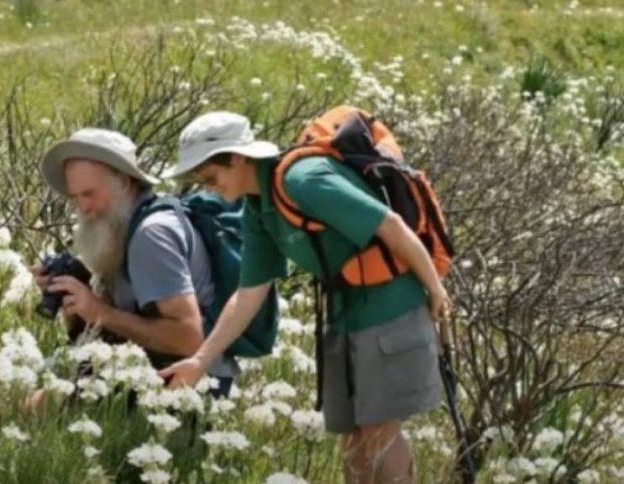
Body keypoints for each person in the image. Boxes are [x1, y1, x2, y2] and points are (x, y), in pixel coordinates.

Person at [158, 111, 452, 483]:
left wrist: (436, 288)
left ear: (237, 157)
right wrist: (201, 360)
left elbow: (390, 225)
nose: (208, 188)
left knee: (378, 429)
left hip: (389, 305)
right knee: (352, 435)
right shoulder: (257, 207)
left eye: (212, 177)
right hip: (345, 313)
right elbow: (248, 293)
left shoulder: (304, 181)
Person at [30, 128, 238, 409]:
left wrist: (100, 312)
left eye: (90, 194)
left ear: (125, 183)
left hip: (188, 387)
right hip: (154, 371)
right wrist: (77, 296)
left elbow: (191, 338)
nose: (83, 207)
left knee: (41, 405)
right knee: (41, 400)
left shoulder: (152, 235)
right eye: (75, 197)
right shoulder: (123, 226)